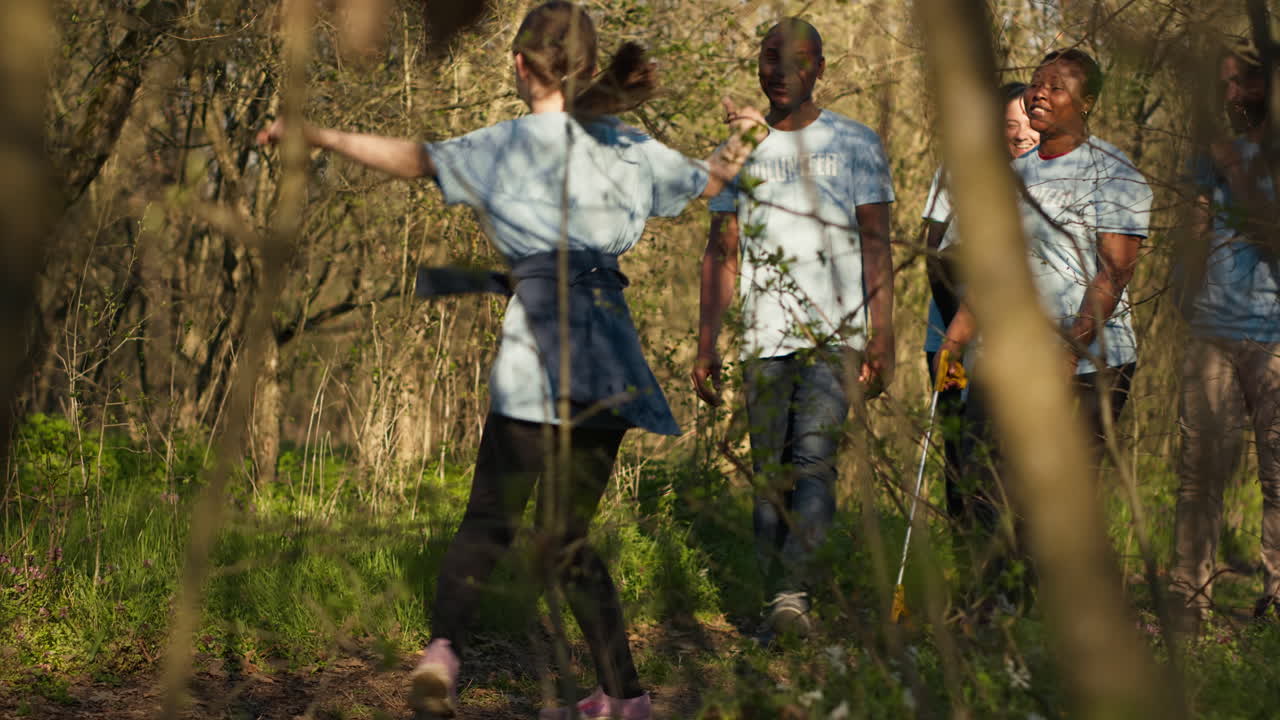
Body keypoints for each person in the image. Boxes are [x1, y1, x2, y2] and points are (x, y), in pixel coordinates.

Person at [258, 3, 766, 718]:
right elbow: (711, 184)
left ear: (520, 66)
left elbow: (414, 159)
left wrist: (319, 134)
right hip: (609, 358)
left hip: (538, 351)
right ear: (588, 69)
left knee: (489, 522)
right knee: (566, 538)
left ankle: (444, 650)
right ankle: (626, 698)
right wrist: (744, 131)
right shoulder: (627, 146)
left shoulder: (505, 146)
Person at [692, 17, 895, 643]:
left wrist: (883, 334)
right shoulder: (740, 151)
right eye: (769, 57)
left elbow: (877, 245)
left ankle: (793, 595)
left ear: (820, 69)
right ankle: (770, 596)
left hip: (837, 335)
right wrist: (706, 341)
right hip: (761, 337)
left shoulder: (857, 143)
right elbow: (720, 252)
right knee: (769, 472)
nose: (780, 71)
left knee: (813, 463)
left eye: (796, 60)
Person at [938, 48, 1152, 606]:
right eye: (1036, 84)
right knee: (983, 476)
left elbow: (1116, 268)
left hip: (1091, 361)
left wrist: (1070, 349)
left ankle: (1057, 611)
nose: (1038, 93)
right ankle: (996, 602)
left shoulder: (1115, 171)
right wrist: (955, 338)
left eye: (1055, 86)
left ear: (1088, 102)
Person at [1170, 37, 1280, 633]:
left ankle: (1278, 600)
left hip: (1275, 334)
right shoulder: (1206, 153)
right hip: (1210, 330)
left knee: (1279, 475)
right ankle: (1191, 600)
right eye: (1224, 86)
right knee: (1198, 473)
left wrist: (1235, 169)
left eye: (1244, 83)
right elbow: (1194, 224)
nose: (1233, 96)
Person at [920, 82, 1038, 526]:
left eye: (1030, 124)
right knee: (960, 457)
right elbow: (932, 253)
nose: (1023, 134)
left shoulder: (1055, 180)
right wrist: (958, 334)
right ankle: (965, 555)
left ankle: (1014, 569)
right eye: (1011, 124)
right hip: (949, 334)